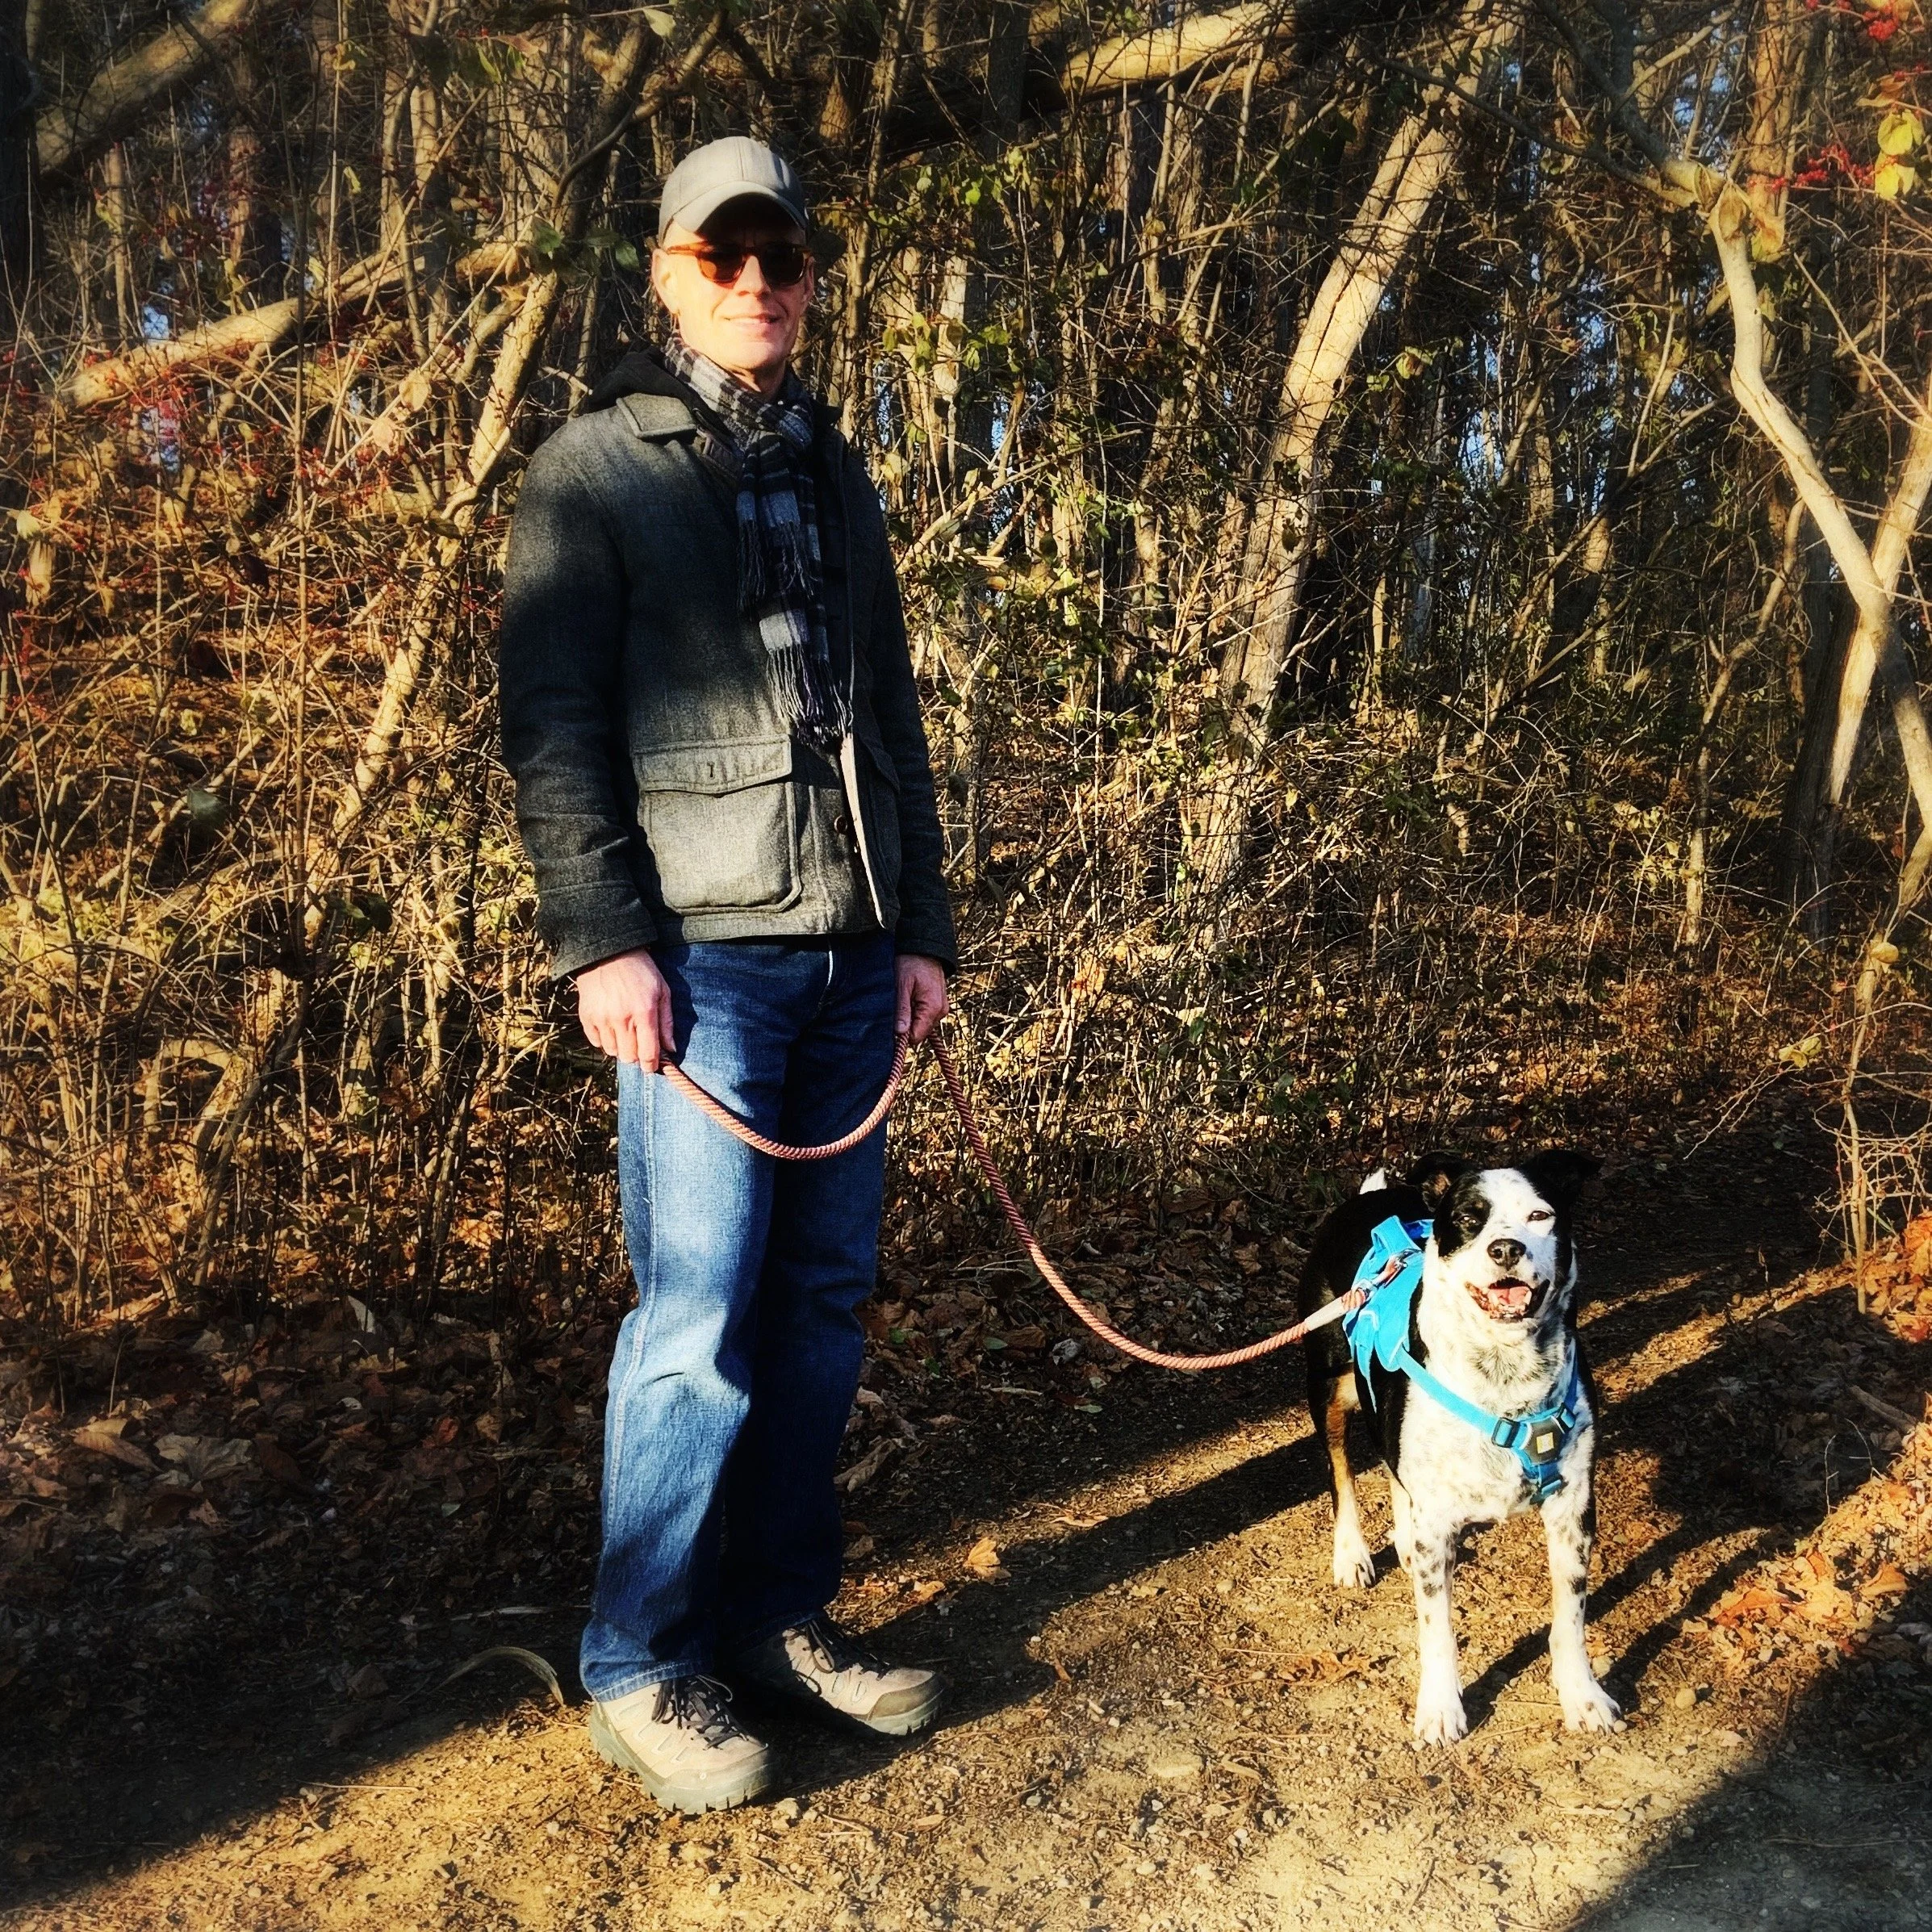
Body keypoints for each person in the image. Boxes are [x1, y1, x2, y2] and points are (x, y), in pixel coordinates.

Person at [498, 136, 957, 1814]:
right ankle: (638, 1661)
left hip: (851, 963)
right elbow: (552, 733)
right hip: (700, 967)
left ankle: (774, 1619)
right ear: (669, 273)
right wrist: (604, 944)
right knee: (695, 1324)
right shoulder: (593, 469)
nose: (759, 283)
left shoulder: (838, 468)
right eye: (724, 256)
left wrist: (922, 934)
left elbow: (890, 720)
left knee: (822, 1310)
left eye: (784, 258)